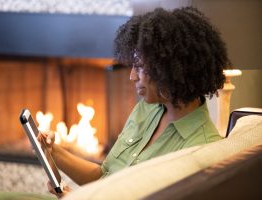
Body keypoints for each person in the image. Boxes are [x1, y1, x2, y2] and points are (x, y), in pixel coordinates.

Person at [39, 6, 230, 198]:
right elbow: (105, 176)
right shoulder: (146, 109)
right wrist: (52, 151)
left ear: (168, 69)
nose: (131, 76)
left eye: (139, 67)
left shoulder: (200, 149)